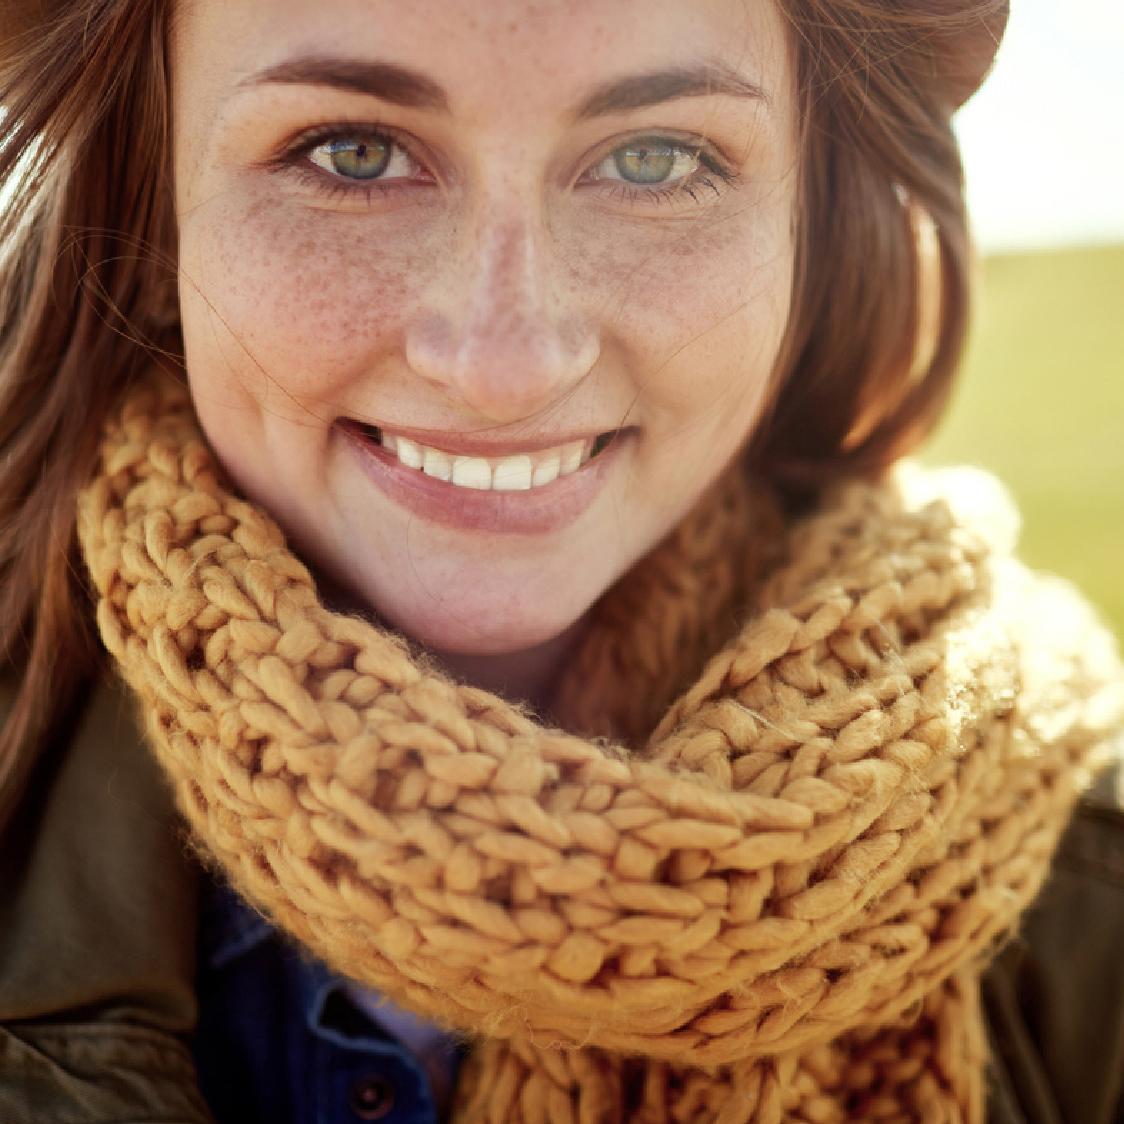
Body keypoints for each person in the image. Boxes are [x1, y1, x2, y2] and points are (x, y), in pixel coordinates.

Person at [1, 1, 1122, 1122]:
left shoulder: (1092, 884)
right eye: (354, 153)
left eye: (653, 158)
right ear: (150, 205)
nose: (507, 365)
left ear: (810, 225)